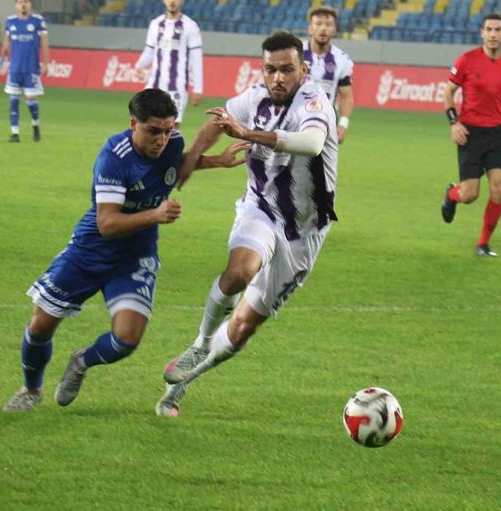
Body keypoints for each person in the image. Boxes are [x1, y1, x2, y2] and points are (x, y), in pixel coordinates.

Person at [3, 89, 247, 412]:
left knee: (126, 340)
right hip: (90, 251)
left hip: (135, 255)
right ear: (134, 123)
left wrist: (218, 161)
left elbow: (172, 168)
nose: (162, 139)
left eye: (168, 130)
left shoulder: (172, 143)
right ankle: (31, 389)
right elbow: (107, 223)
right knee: (41, 326)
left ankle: (81, 361)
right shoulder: (114, 157)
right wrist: (155, 215)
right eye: (153, 131)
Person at [155, 31, 339, 418]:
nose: (278, 78)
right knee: (240, 271)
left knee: (242, 329)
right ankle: (200, 344)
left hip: (304, 232)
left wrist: (248, 134)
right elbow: (219, 122)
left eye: (287, 70)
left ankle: (183, 383)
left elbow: (311, 143)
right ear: (262, 69)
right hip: (260, 209)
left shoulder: (315, 101)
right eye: (270, 70)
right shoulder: (253, 97)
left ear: (303, 70)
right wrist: (193, 156)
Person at [440, 12, 501, 257]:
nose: (493, 34)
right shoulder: (467, 60)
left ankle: (483, 243)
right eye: (489, 29)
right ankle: (452, 195)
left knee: (499, 188)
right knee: (470, 195)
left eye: (498, 30)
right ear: (482, 33)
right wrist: (454, 123)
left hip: (497, 134)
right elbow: (448, 92)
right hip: (470, 133)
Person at [134, 0, 203, 125]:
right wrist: (139, 65)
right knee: (145, 123)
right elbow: (150, 50)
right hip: (154, 84)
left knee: (172, 126)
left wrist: (198, 88)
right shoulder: (156, 24)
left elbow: (197, 59)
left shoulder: (190, 26)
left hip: (177, 86)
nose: (172, 2)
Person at [303, 5, 355, 144]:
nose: (323, 28)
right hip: (295, 121)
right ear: (310, 29)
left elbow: (346, 96)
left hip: (327, 125)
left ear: (334, 30)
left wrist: (343, 125)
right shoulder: (295, 54)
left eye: (328, 24)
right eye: (318, 23)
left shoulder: (342, 60)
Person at [1, 0, 49, 143]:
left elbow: (45, 42)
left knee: (31, 100)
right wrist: (3, 62)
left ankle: (35, 124)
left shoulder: (38, 21)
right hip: (15, 69)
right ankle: (15, 134)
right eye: (20, 2)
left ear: (30, 4)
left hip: (31, 68)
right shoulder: (10, 21)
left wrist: (45, 63)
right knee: (13, 101)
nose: (23, 5)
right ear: (16, 5)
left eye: (26, 2)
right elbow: (6, 44)